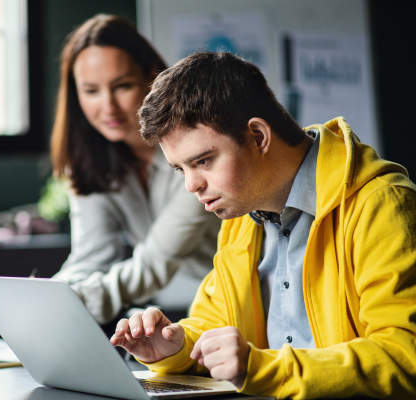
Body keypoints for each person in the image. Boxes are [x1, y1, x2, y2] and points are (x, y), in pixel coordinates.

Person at [111, 52, 416, 398]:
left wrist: (264, 369)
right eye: (181, 169)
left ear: (257, 136)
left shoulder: (382, 204)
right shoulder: (243, 217)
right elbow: (215, 324)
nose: (191, 185)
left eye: (203, 161)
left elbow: (406, 355)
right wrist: (174, 346)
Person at [51, 15, 221, 324]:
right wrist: (50, 296)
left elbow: (156, 261)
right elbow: (90, 257)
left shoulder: (195, 149)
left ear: (153, 78)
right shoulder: (90, 162)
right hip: (199, 309)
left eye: (122, 86)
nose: (108, 107)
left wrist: (71, 303)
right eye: (91, 91)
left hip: (245, 299)